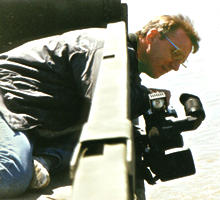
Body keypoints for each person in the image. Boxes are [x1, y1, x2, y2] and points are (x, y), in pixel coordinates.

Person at [0, 14, 200, 198]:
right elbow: (107, 101)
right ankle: (38, 163)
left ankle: (45, 161)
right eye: (175, 54)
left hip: (30, 116)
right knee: (12, 175)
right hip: (7, 102)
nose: (175, 66)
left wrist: (147, 98)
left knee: (92, 146)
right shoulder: (106, 48)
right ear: (152, 37)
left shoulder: (128, 61)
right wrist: (147, 97)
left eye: (181, 62)